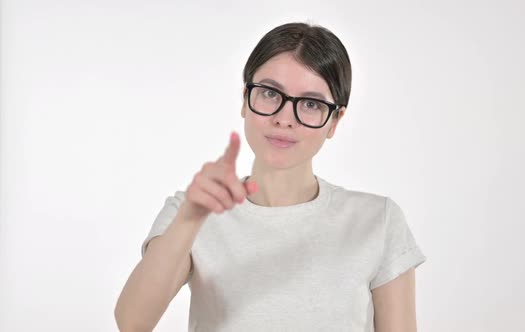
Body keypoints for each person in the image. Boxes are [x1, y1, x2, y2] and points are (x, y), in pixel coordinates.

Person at [115, 22, 427, 332]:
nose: (284, 119)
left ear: (335, 120)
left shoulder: (377, 220)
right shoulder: (193, 209)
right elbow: (132, 321)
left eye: (310, 103)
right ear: (244, 99)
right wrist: (189, 219)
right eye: (269, 93)